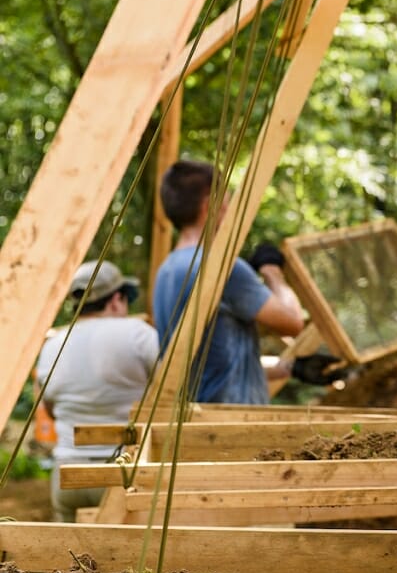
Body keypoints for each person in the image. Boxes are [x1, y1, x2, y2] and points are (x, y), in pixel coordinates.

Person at [153, 159, 343, 404]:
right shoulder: (218, 266)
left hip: (196, 419)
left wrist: (289, 369)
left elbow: (212, 366)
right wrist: (272, 272)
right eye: (227, 201)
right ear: (212, 204)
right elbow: (292, 322)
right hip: (228, 423)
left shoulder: (167, 271)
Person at [35, 260, 158, 522]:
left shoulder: (53, 345)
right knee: (127, 558)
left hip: (67, 473)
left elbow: (50, 410)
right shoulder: (138, 334)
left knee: (66, 559)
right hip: (121, 473)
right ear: (116, 299)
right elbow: (169, 392)